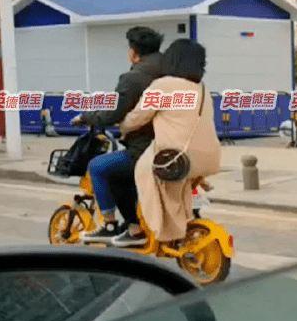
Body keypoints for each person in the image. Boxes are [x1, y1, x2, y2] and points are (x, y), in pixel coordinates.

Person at [119, 39, 221, 243]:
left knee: (144, 172)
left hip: (177, 156)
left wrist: (122, 126)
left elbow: (138, 117)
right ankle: (181, 225)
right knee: (174, 189)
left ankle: (148, 230)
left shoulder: (163, 85)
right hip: (208, 157)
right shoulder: (202, 89)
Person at [74, 26, 164, 245]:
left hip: (144, 150)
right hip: (173, 146)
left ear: (134, 52)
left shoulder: (133, 78)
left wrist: (86, 117)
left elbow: (114, 112)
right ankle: (133, 223)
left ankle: (112, 225)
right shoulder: (171, 72)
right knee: (122, 173)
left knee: (99, 167)